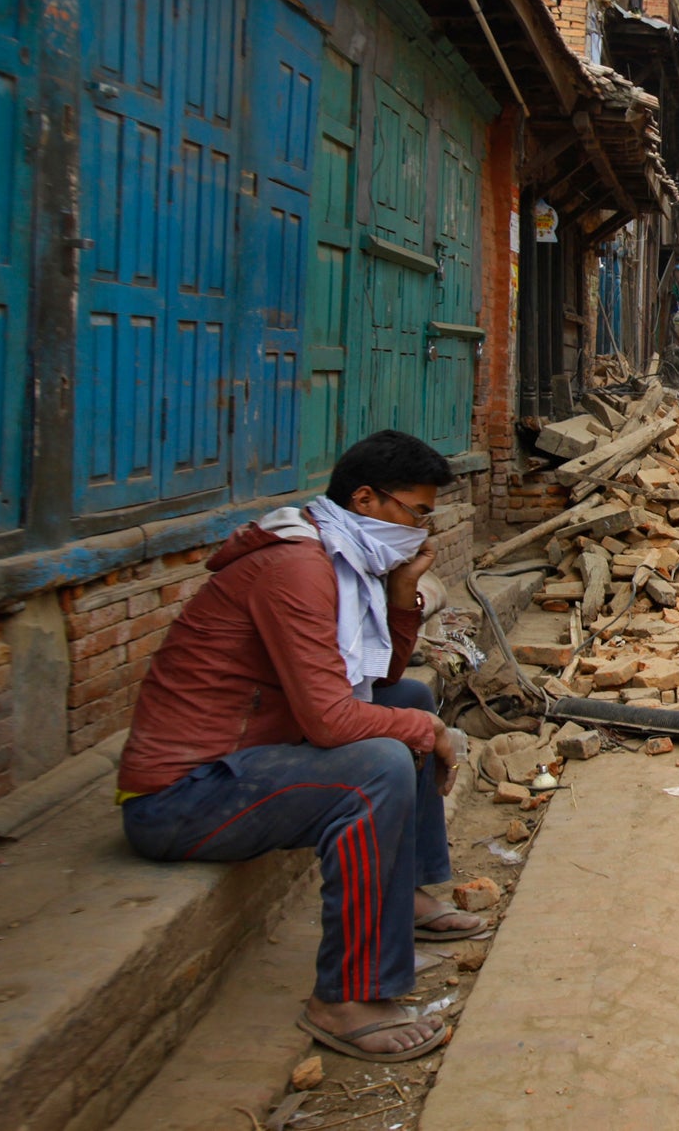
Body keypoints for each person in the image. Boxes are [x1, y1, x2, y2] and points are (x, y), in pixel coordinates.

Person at [117, 431, 476, 1065]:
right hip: (180, 797)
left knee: (409, 705)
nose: (422, 530)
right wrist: (433, 736)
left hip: (251, 757)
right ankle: (345, 999)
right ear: (366, 499)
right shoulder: (299, 567)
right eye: (416, 513)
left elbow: (381, 683)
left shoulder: (341, 555)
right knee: (380, 765)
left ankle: (410, 895)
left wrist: (401, 600)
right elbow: (333, 721)